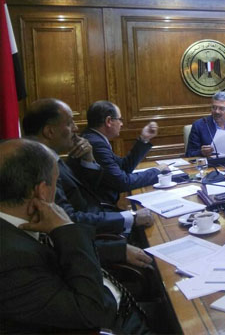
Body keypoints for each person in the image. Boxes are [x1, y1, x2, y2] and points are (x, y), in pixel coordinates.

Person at [0, 139, 148, 333]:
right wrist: (66, 227)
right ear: (42, 191)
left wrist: (117, 249)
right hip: (114, 324)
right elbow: (94, 313)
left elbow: (52, 250)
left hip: (116, 299)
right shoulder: (10, 262)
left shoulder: (20, 221)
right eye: (55, 182)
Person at [22, 98, 153, 268]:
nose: (76, 128)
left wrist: (89, 159)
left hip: (95, 226)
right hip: (90, 243)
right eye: (70, 123)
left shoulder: (50, 157)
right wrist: (130, 219)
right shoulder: (41, 168)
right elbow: (67, 222)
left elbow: (87, 190)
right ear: (49, 131)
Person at [82, 100, 168, 203]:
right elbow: (123, 182)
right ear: (108, 121)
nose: (122, 124)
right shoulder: (95, 144)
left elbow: (124, 166)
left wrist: (144, 138)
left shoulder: (94, 138)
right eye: (120, 119)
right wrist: (157, 170)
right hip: (100, 207)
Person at [186, 91, 225, 157]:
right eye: (214, 107)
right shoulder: (199, 125)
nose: (217, 111)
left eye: (221, 108)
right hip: (211, 162)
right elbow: (190, 153)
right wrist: (201, 153)